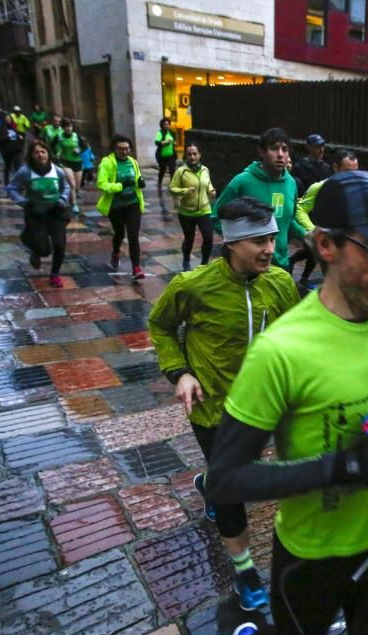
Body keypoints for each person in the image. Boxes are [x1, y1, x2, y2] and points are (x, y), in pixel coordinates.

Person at [204, 170, 368, 635]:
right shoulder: (281, 352)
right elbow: (224, 479)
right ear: (326, 245)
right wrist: (345, 467)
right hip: (312, 555)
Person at [148, 196, 300, 613]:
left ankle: (210, 484)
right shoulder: (192, 286)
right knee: (233, 486)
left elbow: (298, 333)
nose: (270, 248)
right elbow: (160, 326)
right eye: (258, 241)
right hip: (212, 406)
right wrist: (180, 372)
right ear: (232, 243)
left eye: (272, 237)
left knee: (232, 473)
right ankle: (245, 569)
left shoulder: (281, 283)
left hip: (263, 405)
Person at [213, 127, 304, 272]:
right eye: (274, 148)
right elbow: (217, 216)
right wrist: (238, 244)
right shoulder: (243, 181)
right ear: (262, 151)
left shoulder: (291, 183)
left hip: (281, 264)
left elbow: (289, 220)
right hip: (248, 266)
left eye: (285, 149)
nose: (280, 155)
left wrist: (307, 235)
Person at [290, 148, 359, 290]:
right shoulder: (320, 188)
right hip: (327, 242)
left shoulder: (358, 189)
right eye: (347, 172)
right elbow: (300, 208)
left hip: (348, 243)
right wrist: (311, 230)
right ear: (335, 168)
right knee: (332, 279)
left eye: (355, 172)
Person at [6, 140, 71, 287]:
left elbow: (65, 187)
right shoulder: (25, 171)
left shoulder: (57, 171)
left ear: (48, 154)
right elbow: (11, 189)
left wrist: (62, 200)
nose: (40, 155)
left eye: (43, 152)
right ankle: (35, 251)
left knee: (59, 245)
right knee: (44, 249)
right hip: (35, 213)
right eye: (36, 152)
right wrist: (24, 202)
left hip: (56, 212)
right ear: (31, 155)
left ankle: (55, 274)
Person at [97, 135, 146, 280]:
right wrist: (119, 186)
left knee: (133, 235)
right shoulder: (107, 163)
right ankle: (116, 250)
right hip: (116, 206)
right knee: (119, 233)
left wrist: (140, 182)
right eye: (121, 149)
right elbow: (101, 184)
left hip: (133, 204)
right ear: (114, 149)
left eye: (127, 149)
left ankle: (136, 267)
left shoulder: (132, 162)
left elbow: (136, 178)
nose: (124, 152)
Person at [168, 143, 216, 270]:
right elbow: (172, 189)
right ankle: (186, 258)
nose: (192, 157)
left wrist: (211, 191)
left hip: (204, 210)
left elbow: (208, 184)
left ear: (200, 155)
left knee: (208, 238)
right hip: (186, 212)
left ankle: (204, 263)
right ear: (185, 156)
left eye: (195, 154)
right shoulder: (181, 171)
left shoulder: (205, 169)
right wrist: (184, 191)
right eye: (189, 154)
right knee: (189, 239)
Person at [54, 118, 85, 215]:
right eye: (66, 127)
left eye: (70, 126)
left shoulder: (77, 136)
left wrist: (79, 150)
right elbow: (51, 145)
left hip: (77, 162)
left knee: (77, 187)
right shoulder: (59, 137)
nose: (68, 129)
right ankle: (74, 204)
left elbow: (85, 146)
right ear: (63, 128)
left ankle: (71, 197)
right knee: (72, 183)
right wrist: (57, 153)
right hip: (65, 162)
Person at [0, 113, 24, 186]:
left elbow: (17, 137)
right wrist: (7, 137)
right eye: (6, 119)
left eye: (9, 119)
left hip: (15, 150)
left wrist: (19, 139)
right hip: (7, 151)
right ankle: (6, 182)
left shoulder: (14, 128)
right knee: (7, 167)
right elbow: (0, 139)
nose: (8, 121)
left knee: (17, 167)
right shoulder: (1, 128)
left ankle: (20, 183)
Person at [154, 118, 177, 192]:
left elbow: (174, 142)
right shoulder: (160, 133)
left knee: (172, 170)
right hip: (162, 156)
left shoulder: (172, 133)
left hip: (171, 155)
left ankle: (172, 185)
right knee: (162, 170)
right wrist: (165, 142)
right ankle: (159, 183)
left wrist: (174, 144)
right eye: (165, 124)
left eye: (168, 124)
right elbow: (157, 143)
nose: (167, 126)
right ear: (162, 125)